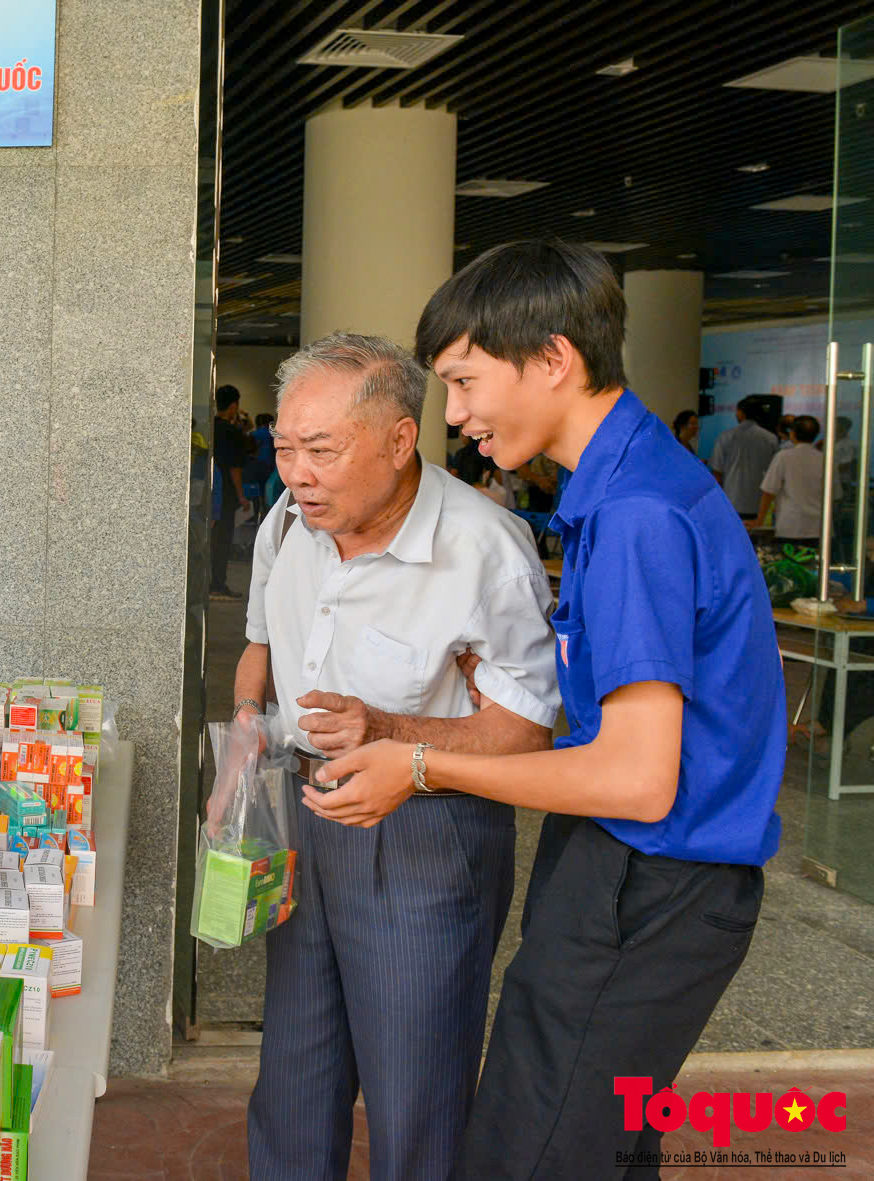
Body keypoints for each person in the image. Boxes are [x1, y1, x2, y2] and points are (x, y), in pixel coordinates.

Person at [312, 240, 782, 1178]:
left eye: (465, 380)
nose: (457, 415)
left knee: (534, 1151)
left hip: (650, 882)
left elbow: (638, 779)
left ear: (555, 359)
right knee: (599, 1145)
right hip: (629, 870)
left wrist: (418, 765)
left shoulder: (640, 512)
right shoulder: (618, 489)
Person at [237, 333, 560, 1181]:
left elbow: (527, 730)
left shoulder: (483, 548)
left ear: (397, 440)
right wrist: (244, 738)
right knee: (295, 1072)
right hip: (307, 814)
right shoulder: (289, 523)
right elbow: (263, 650)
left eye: (320, 450)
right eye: (282, 448)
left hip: (426, 830)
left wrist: (389, 729)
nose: (297, 472)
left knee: (415, 1088)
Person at [753, 414, 826, 549]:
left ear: (792, 434)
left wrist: (759, 520)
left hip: (791, 526)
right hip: (820, 527)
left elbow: (769, 491)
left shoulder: (783, 457)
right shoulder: (825, 459)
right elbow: (835, 494)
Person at [209, 382, 252, 598]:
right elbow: (235, 468)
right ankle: (218, 582)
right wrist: (241, 495)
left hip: (208, 487)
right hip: (225, 491)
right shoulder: (233, 432)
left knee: (208, 538)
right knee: (223, 539)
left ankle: (208, 581)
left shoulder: (210, 427)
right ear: (234, 405)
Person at [711, 397, 779, 518]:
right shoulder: (770, 439)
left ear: (740, 413)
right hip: (759, 505)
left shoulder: (725, 437)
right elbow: (774, 474)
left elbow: (717, 473)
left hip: (731, 502)